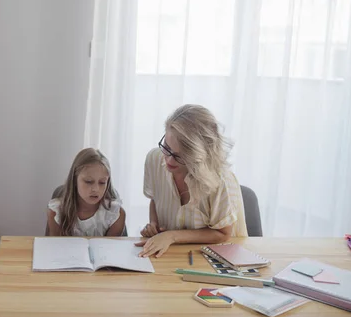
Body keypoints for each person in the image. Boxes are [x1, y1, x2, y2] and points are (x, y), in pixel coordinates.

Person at [136, 104, 247, 257]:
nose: (168, 160)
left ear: (200, 155)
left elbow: (223, 234)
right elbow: (156, 199)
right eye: (167, 147)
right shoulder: (155, 159)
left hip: (217, 256)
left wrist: (172, 236)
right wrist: (154, 225)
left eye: (180, 156)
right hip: (171, 255)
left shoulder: (221, 180)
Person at [47, 148, 126, 236]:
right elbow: (55, 247)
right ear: (74, 179)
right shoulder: (56, 212)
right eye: (88, 181)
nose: (96, 189)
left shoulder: (115, 214)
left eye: (102, 182)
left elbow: (110, 248)